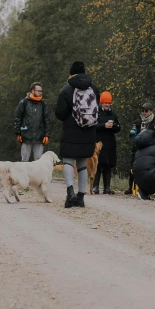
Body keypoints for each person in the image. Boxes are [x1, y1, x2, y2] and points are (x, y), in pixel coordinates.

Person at [56, 61, 100, 208]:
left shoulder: (67, 89)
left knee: (68, 160)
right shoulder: (93, 88)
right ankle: (81, 197)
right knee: (82, 162)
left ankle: (70, 194)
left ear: (71, 73)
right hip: (89, 131)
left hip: (71, 130)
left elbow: (60, 113)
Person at [124, 101, 155, 195]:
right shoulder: (138, 120)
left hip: (148, 149)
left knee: (147, 169)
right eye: (142, 110)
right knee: (132, 167)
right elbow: (131, 134)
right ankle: (131, 188)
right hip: (136, 148)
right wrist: (131, 133)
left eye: (146, 111)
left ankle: (145, 188)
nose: (143, 112)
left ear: (151, 111)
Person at [14, 82, 51, 161]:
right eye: (39, 91)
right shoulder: (24, 103)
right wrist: (18, 133)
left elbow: (47, 120)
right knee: (24, 160)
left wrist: (47, 135)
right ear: (32, 91)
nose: (40, 92)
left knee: (39, 162)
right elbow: (17, 118)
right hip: (26, 136)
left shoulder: (43, 104)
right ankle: (23, 174)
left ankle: (37, 174)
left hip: (39, 137)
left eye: (41, 91)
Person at [93, 91, 121, 194]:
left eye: (109, 103)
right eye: (105, 103)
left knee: (108, 165)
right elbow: (93, 126)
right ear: (101, 103)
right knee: (98, 164)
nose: (107, 105)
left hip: (110, 143)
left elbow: (118, 128)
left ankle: (107, 187)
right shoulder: (96, 113)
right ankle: (95, 186)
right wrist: (103, 125)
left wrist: (114, 126)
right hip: (98, 142)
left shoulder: (113, 114)